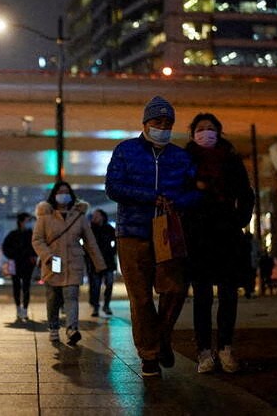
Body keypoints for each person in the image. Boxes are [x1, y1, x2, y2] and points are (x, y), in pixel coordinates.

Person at [105, 96, 199, 378]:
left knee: (174, 289)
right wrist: (151, 198)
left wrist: (177, 201)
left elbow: (194, 191)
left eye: (168, 122)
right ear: (145, 123)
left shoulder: (181, 157)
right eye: (158, 122)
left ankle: (161, 338)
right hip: (132, 233)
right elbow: (113, 187)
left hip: (168, 232)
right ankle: (149, 356)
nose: (163, 126)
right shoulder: (125, 151)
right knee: (141, 297)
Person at [184, 112, 255, 374]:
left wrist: (239, 219)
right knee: (202, 296)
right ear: (193, 133)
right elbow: (178, 194)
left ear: (219, 132)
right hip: (198, 236)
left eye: (211, 128)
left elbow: (246, 195)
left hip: (227, 235)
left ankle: (225, 347)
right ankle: (204, 352)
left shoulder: (232, 161)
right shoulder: (185, 161)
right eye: (201, 129)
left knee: (228, 294)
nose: (206, 133)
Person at [32, 181, 107, 345]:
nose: (63, 195)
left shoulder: (78, 217)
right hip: (53, 262)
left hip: (73, 262)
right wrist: (47, 256)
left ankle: (72, 329)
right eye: (60, 191)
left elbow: (90, 242)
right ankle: (53, 327)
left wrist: (99, 264)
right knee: (53, 298)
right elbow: (37, 240)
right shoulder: (45, 216)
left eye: (66, 191)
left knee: (71, 296)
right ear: (54, 195)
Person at [2, 212, 38, 321]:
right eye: (27, 221)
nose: (29, 223)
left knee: (26, 287)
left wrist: (33, 256)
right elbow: (5, 247)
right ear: (21, 222)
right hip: (15, 263)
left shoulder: (32, 234)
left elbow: (36, 247)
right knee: (16, 287)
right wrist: (12, 255)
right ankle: (18, 309)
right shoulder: (12, 234)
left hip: (28, 264)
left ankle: (25, 310)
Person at [86, 209, 117, 317]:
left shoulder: (109, 229)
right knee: (95, 286)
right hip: (94, 263)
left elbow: (116, 242)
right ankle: (96, 307)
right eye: (94, 215)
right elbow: (85, 246)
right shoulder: (90, 230)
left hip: (108, 262)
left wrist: (113, 251)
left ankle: (106, 305)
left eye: (97, 215)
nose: (95, 217)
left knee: (109, 283)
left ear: (103, 217)